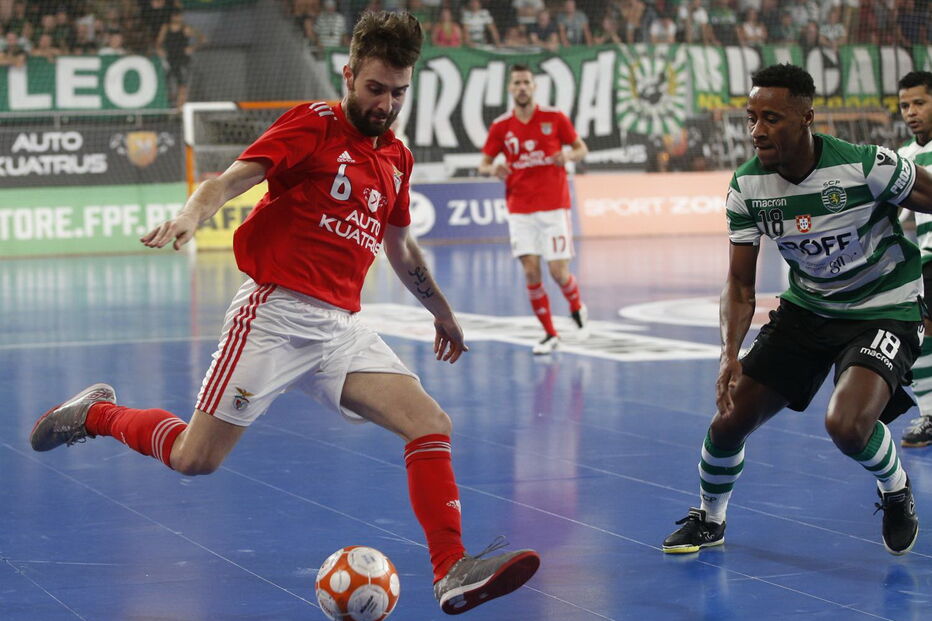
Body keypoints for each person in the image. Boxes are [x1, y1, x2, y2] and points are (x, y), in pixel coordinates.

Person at [28, 11, 540, 616]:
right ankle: (99, 414)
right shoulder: (315, 125)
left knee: (431, 424)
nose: (384, 103)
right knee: (196, 459)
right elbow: (232, 177)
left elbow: (400, 248)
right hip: (273, 316)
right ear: (349, 75)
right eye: (374, 89)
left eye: (397, 92)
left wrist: (443, 313)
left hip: (340, 330)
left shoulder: (396, 159)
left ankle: (451, 569)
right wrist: (195, 211)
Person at [662, 64, 932, 558]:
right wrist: (729, 354)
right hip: (807, 311)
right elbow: (741, 284)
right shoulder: (747, 188)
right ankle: (710, 519)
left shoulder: (866, 165)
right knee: (727, 423)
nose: (757, 130)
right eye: (751, 118)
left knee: (847, 426)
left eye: (772, 118)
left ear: (807, 117)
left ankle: (895, 491)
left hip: (884, 307)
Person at [478, 64, 589, 355]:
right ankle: (550, 334)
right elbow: (483, 164)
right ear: (510, 88)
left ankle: (576, 305)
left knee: (558, 272)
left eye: (527, 82)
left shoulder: (554, 118)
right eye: (517, 83)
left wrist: (567, 155)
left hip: (554, 208)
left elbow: (581, 148)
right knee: (530, 272)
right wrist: (493, 169)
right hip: (520, 209)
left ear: (534, 86)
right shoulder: (501, 126)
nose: (522, 87)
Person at [898, 71, 932, 448]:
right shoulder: (905, 158)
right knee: (923, 335)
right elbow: (892, 218)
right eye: (905, 105)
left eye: (920, 103)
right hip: (927, 262)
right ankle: (929, 414)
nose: (911, 112)